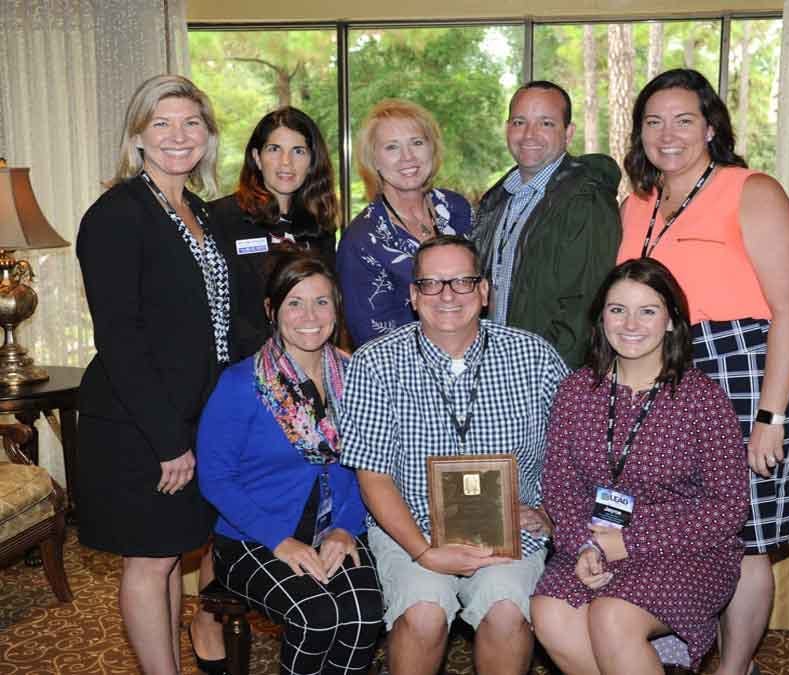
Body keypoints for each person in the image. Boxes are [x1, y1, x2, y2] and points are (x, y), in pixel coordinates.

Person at [618, 68, 789, 675]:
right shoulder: (636, 204)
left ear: (710, 127)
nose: (668, 134)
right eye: (654, 121)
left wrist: (770, 416)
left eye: (683, 119)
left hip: (751, 370)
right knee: (682, 529)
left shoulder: (750, 190)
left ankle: (735, 669)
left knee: (745, 539)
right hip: (668, 376)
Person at [339, 235, 568, 675]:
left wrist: (548, 514)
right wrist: (424, 552)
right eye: (431, 284)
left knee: (506, 611)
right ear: (412, 295)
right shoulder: (375, 363)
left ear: (484, 292)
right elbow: (374, 477)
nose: (447, 296)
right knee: (423, 612)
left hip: (510, 531)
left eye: (462, 282)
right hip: (411, 526)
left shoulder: (534, 356)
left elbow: (573, 453)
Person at [76, 74, 232, 675]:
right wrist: (168, 439)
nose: (177, 135)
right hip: (138, 425)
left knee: (171, 557)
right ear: (138, 135)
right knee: (148, 562)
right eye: (162, 123)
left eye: (191, 123)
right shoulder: (118, 213)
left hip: (185, 419)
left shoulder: (193, 211)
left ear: (207, 137)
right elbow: (120, 339)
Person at [531, 258, 749, 674]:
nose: (630, 324)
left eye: (647, 310)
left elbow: (727, 508)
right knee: (551, 614)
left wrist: (632, 543)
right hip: (593, 541)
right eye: (617, 310)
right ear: (601, 317)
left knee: (613, 617)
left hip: (685, 549)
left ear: (670, 321)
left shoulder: (702, 399)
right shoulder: (576, 391)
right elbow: (559, 486)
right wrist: (584, 545)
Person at [197, 253, 383, 674]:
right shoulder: (240, 384)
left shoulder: (355, 377)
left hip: (335, 527)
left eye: (322, 302)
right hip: (253, 537)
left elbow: (366, 465)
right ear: (271, 310)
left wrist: (345, 528)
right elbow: (215, 478)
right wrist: (279, 539)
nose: (309, 316)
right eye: (294, 303)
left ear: (337, 309)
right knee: (316, 616)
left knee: (363, 614)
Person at [471, 80, 621, 370]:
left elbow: (584, 307)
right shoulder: (497, 199)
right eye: (519, 121)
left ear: (568, 133)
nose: (529, 134)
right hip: (494, 371)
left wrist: (547, 378)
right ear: (507, 128)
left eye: (546, 123)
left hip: (546, 377)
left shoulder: (585, 199)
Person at [336, 99, 473, 348]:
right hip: (405, 378)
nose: (408, 157)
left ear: (432, 149)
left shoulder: (457, 210)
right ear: (374, 160)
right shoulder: (361, 240)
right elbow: (372, 341)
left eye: (417, 143)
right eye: (392, 147)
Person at [210, 107, 339, 361]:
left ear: (312, 160)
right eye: (274, 149)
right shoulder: (220, 218)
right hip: (243, 365)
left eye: (298, 151)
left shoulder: (320, 227)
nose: (286, 163)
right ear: (257, 157)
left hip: (307, 362)